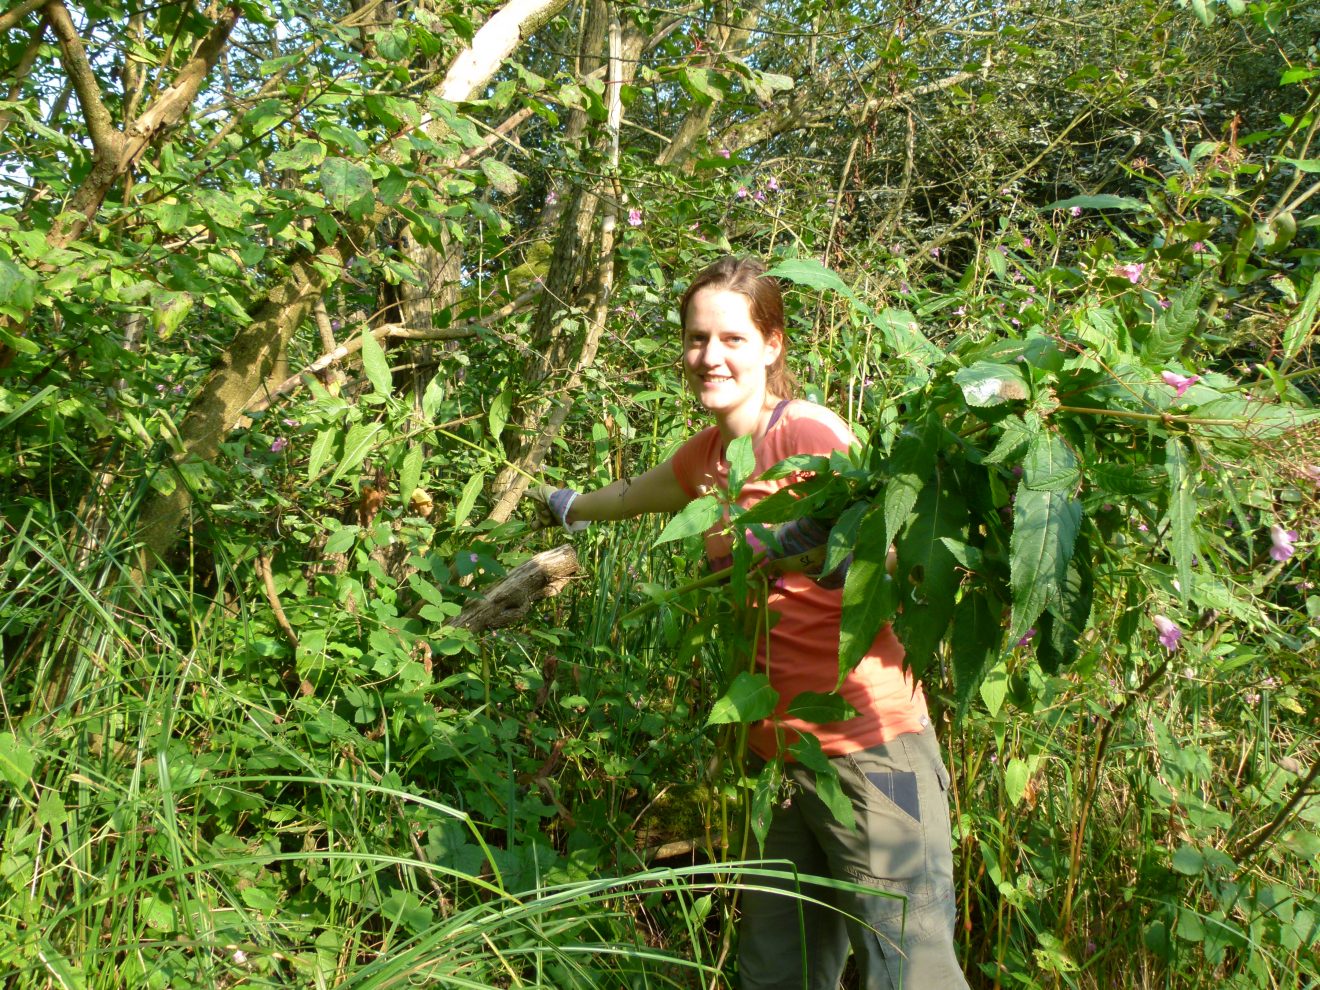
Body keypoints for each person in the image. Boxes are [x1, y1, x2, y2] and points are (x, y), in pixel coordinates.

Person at [531, 256, 969, 990]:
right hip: (784, 765)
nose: (710, 356)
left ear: (772, 345)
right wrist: (562, 502)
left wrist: (805, 547)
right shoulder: (708, 459)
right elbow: (635, 494)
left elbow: (890, 552)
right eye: (698, 338)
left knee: (914, 970)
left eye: (732, 338)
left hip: (877, 753)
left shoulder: (809, 432)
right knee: (778, 973)